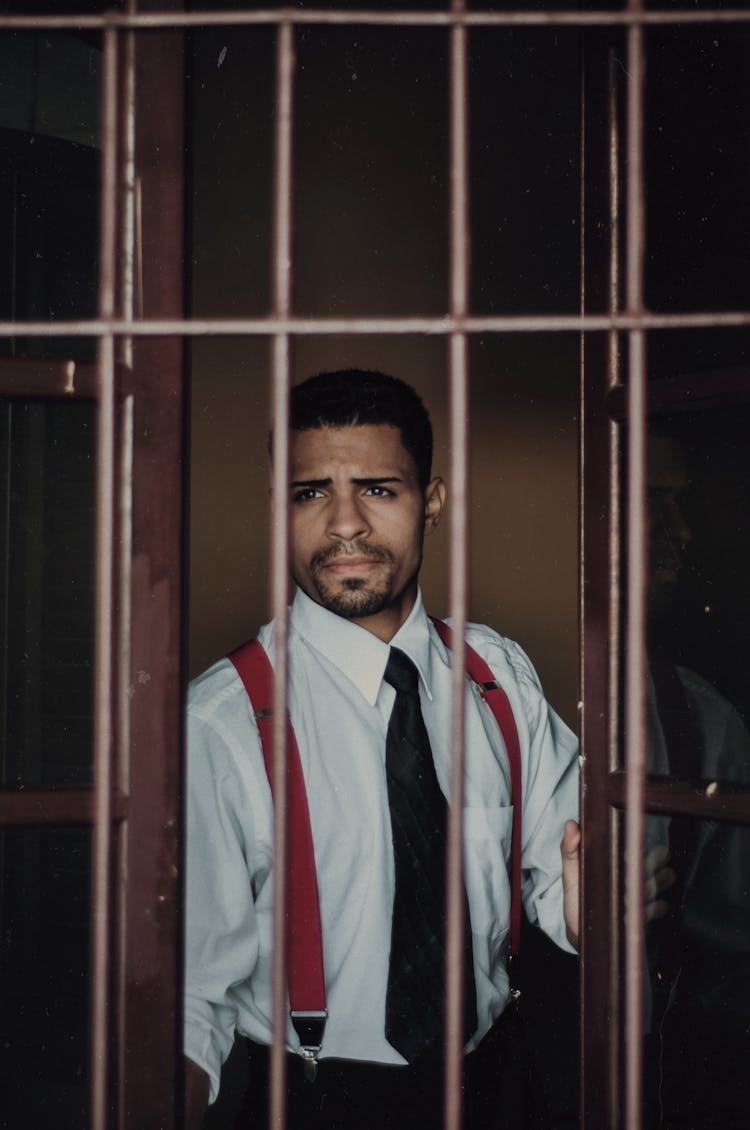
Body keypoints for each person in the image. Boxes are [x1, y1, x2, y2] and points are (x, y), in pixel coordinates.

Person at [184, 369, 581, 1130]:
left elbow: (560, 887)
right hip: (315, 1102)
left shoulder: (500, 677)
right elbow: (188, 1000)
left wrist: (593, 902)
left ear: (430, 503)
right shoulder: (221, 723)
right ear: (278, 508)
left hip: (501, 1086)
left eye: (377, 489)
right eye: (310, 494)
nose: (343, 525)